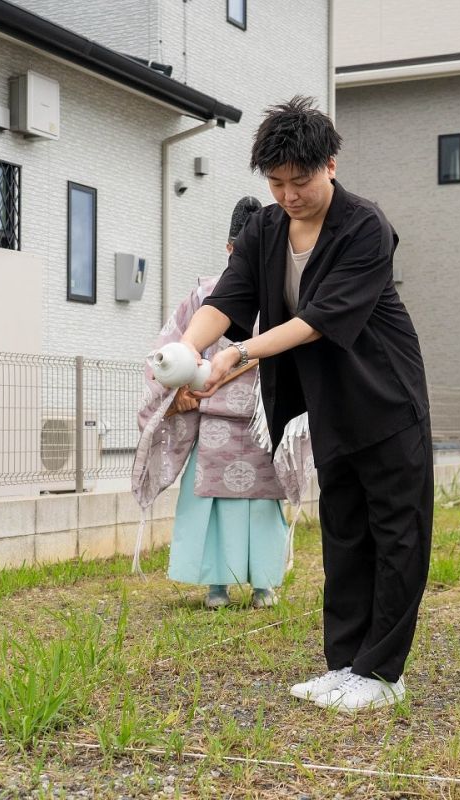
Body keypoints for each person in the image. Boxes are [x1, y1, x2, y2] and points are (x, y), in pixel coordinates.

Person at [179, 97, 433, 712]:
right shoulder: (264, 228)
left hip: (386, 399)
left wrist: (235, 359)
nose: (289, 195)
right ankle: (345, 664)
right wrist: (187, 353)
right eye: (276, 182)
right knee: (345, 532)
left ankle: (382, 674)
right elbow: (229, 298)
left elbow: (319, 320)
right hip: (331, 404)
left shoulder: (365, 226)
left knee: (396, 535)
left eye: (301, 181)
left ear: (331, 165)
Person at [132, 196, 304, 610]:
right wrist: (179, 388)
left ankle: (263, 583)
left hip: (264, 417)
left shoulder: (284, 292)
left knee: (264, 501)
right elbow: (170, 348)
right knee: (212, 502)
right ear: (230, 249)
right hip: (214, 419)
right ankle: (217, 584)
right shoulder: (204, 295)